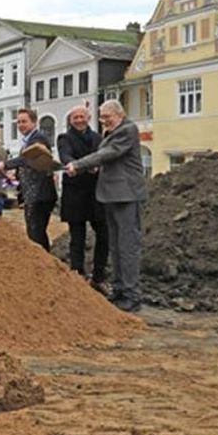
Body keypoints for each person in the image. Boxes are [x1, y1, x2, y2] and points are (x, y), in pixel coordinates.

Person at [65, 100, 147, 313]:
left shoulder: (128, 129)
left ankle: (131, 295)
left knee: (127, 247)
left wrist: (79, 164)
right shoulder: (111, 132)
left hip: (126, 196)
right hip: (111, 196)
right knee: (116, 246)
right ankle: (119, 290)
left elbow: (108, 154)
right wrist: (95, 168)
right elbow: (109, 159)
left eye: (107, 117)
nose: (104, 121)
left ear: (120, 114)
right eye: (101, 117)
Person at [57, 105, 109, 293]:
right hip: (75, 193)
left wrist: (98, 166)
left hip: (96, 192)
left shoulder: (98, 138)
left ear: (88, 118)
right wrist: (79, 166)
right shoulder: (64, 138)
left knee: (104, 234)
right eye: (75, 117)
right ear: (71, 120)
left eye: (82, 117)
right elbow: (65, 156)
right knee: (77, 237)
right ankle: (77, 274)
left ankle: (98, 276)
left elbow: (104, 156)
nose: (79, 120)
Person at [3, 108, 58, 251]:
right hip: (32, 194)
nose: (20, 125)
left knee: (36, 233)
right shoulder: (28, 141)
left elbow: (27, 158)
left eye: (24, 121)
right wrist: (15, 176)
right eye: (18, 122)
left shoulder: (38, 139)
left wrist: (5, 164)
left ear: (34, 122)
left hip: (39, 194)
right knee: (34, 232)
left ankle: (43, 261)